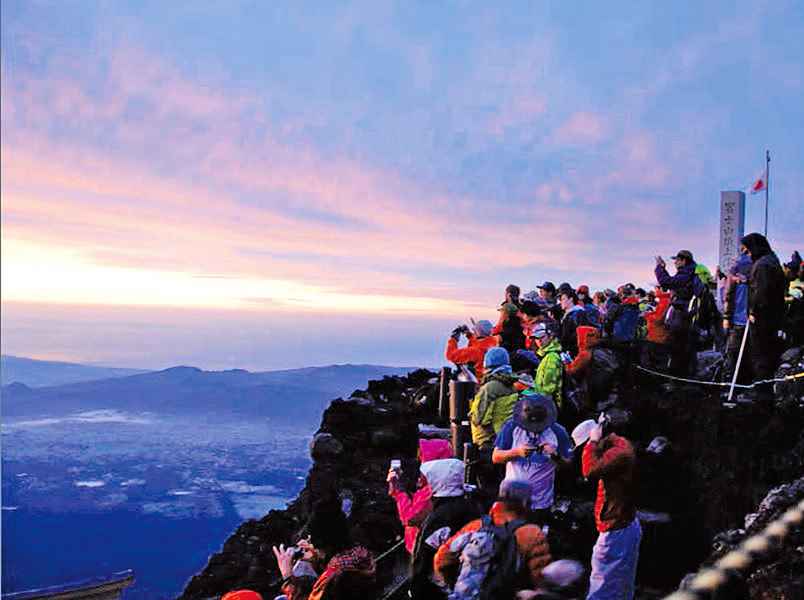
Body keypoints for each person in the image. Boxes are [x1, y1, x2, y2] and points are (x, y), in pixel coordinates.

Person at [433, 479, 552, 597]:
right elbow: (540, 578)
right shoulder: (531, 533)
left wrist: (457, 584)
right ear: (525, 503)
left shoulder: (476, 526)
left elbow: (441, 560)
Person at [579, 420, 640, 600]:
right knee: (620, 585)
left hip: (616, 527)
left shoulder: (618, 453)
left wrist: (592, 443)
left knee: (601, 587)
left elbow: (588, 469)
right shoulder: (618, 447)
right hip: (624, 524)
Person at [492, 394, 573, 527]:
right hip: (512, 500)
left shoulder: (558, 432)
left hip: (541, 502)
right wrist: (516, 452)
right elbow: (495, 457)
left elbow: (569, 464)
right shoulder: (511, 427)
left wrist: (555, 456)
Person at [274, 500, 376, 600]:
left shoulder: (334, 577)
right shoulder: (360, 553)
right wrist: (317, 560)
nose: (309, 542)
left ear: (321, 542)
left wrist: (287, 577)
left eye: (311, 539)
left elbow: (332, 583)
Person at [409, 458, 480, 599]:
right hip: (469, 582)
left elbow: (424, 556)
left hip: (441, 588)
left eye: (427, 480)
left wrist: (416, 588)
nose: (422, 484)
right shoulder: (472, 506)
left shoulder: (441, 517)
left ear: (439, 482)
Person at [740, 233, 787, 405]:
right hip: (772, 318)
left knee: (760, 356)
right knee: (767, 355)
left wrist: (753, 311)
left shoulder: (762, 265)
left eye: (747, 251)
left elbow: (761, 292)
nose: (747, 255)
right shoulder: (772, 261)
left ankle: (762, 394)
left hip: (762, 319)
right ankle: (764, 391)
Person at [388, 438, 454, 554]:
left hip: (423, 549)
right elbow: (418, 505)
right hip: (421, 545)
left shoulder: (433, 490)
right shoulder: (440, 483)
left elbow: (409, 518)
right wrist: (397, 486)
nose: (420, 461)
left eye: (423, 458)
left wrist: (400, 491)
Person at [468, 347, 518, 492]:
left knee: (488, 488)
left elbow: (478, 418)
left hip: (487, 444)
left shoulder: (489, 388)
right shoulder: (511, 386)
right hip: (505, 442)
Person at [655, 250, 697, 375]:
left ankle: (677, 378)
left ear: (684, 260)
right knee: (685, 347)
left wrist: (660, 268)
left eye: (677, 260)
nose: (675, 262)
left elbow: (666, 282)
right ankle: (685, 375)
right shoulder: (689, 273)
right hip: (687, 315)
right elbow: (671, 282)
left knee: (678, 347)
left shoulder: (687, 274)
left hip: (683, 316)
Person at [722, 253, 752, 383]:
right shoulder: (757, 266)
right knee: (748, 354)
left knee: (733, 353)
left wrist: (726, 317)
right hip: (750, 318)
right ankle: (744, 383)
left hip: (738, 318)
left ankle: (732, 383)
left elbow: (728, 295)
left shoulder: (737, 268)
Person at [530, 322, 564, 411]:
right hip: (546, 403)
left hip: (549, 407)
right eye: (536, 338)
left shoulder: (552, 357)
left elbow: (548, 389)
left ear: (551, 336)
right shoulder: (546, 355)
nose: (539, 341)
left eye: (542, 337)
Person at [494, 285, 527, 355]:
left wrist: (494, 333)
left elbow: (500, 323)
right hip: (521, 339)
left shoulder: (506, 307)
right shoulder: (522, 306)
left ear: (508, 294)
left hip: (508, 340)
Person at [558, 289, 590, 356]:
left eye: (563, 299)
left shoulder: (577, 314)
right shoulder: (568, 315)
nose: (561, 302)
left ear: (571, 299)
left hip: (574, 352)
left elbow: (577, 335)